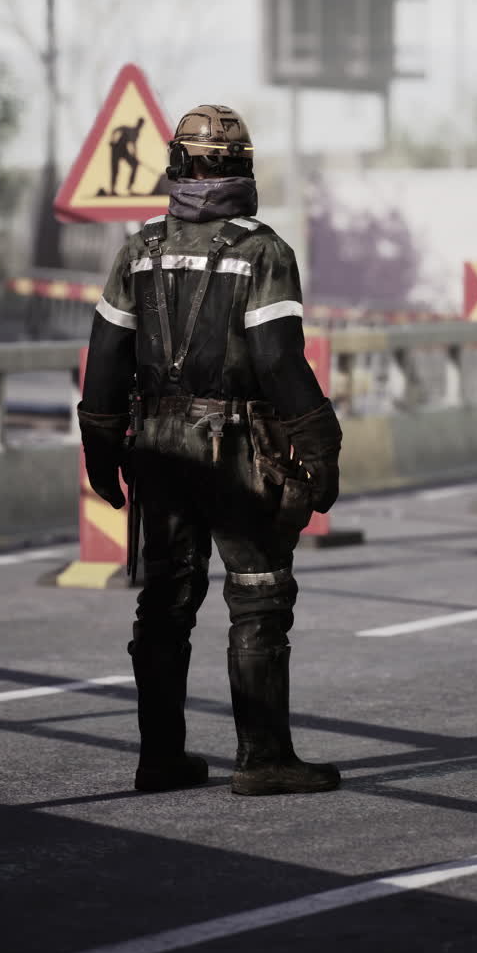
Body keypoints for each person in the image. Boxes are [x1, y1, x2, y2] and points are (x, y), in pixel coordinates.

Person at [78, 104, 342, 796]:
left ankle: (160, 758)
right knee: (258, 596)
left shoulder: (138, 250)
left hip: (157, 446)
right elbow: (281, 363)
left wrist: (100, 448)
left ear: (177, 165)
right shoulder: (263, 251)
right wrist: (320, 445)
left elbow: (105, 356)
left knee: (165, 601)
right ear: (244, 169)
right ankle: (263, 760)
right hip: (236, 449)